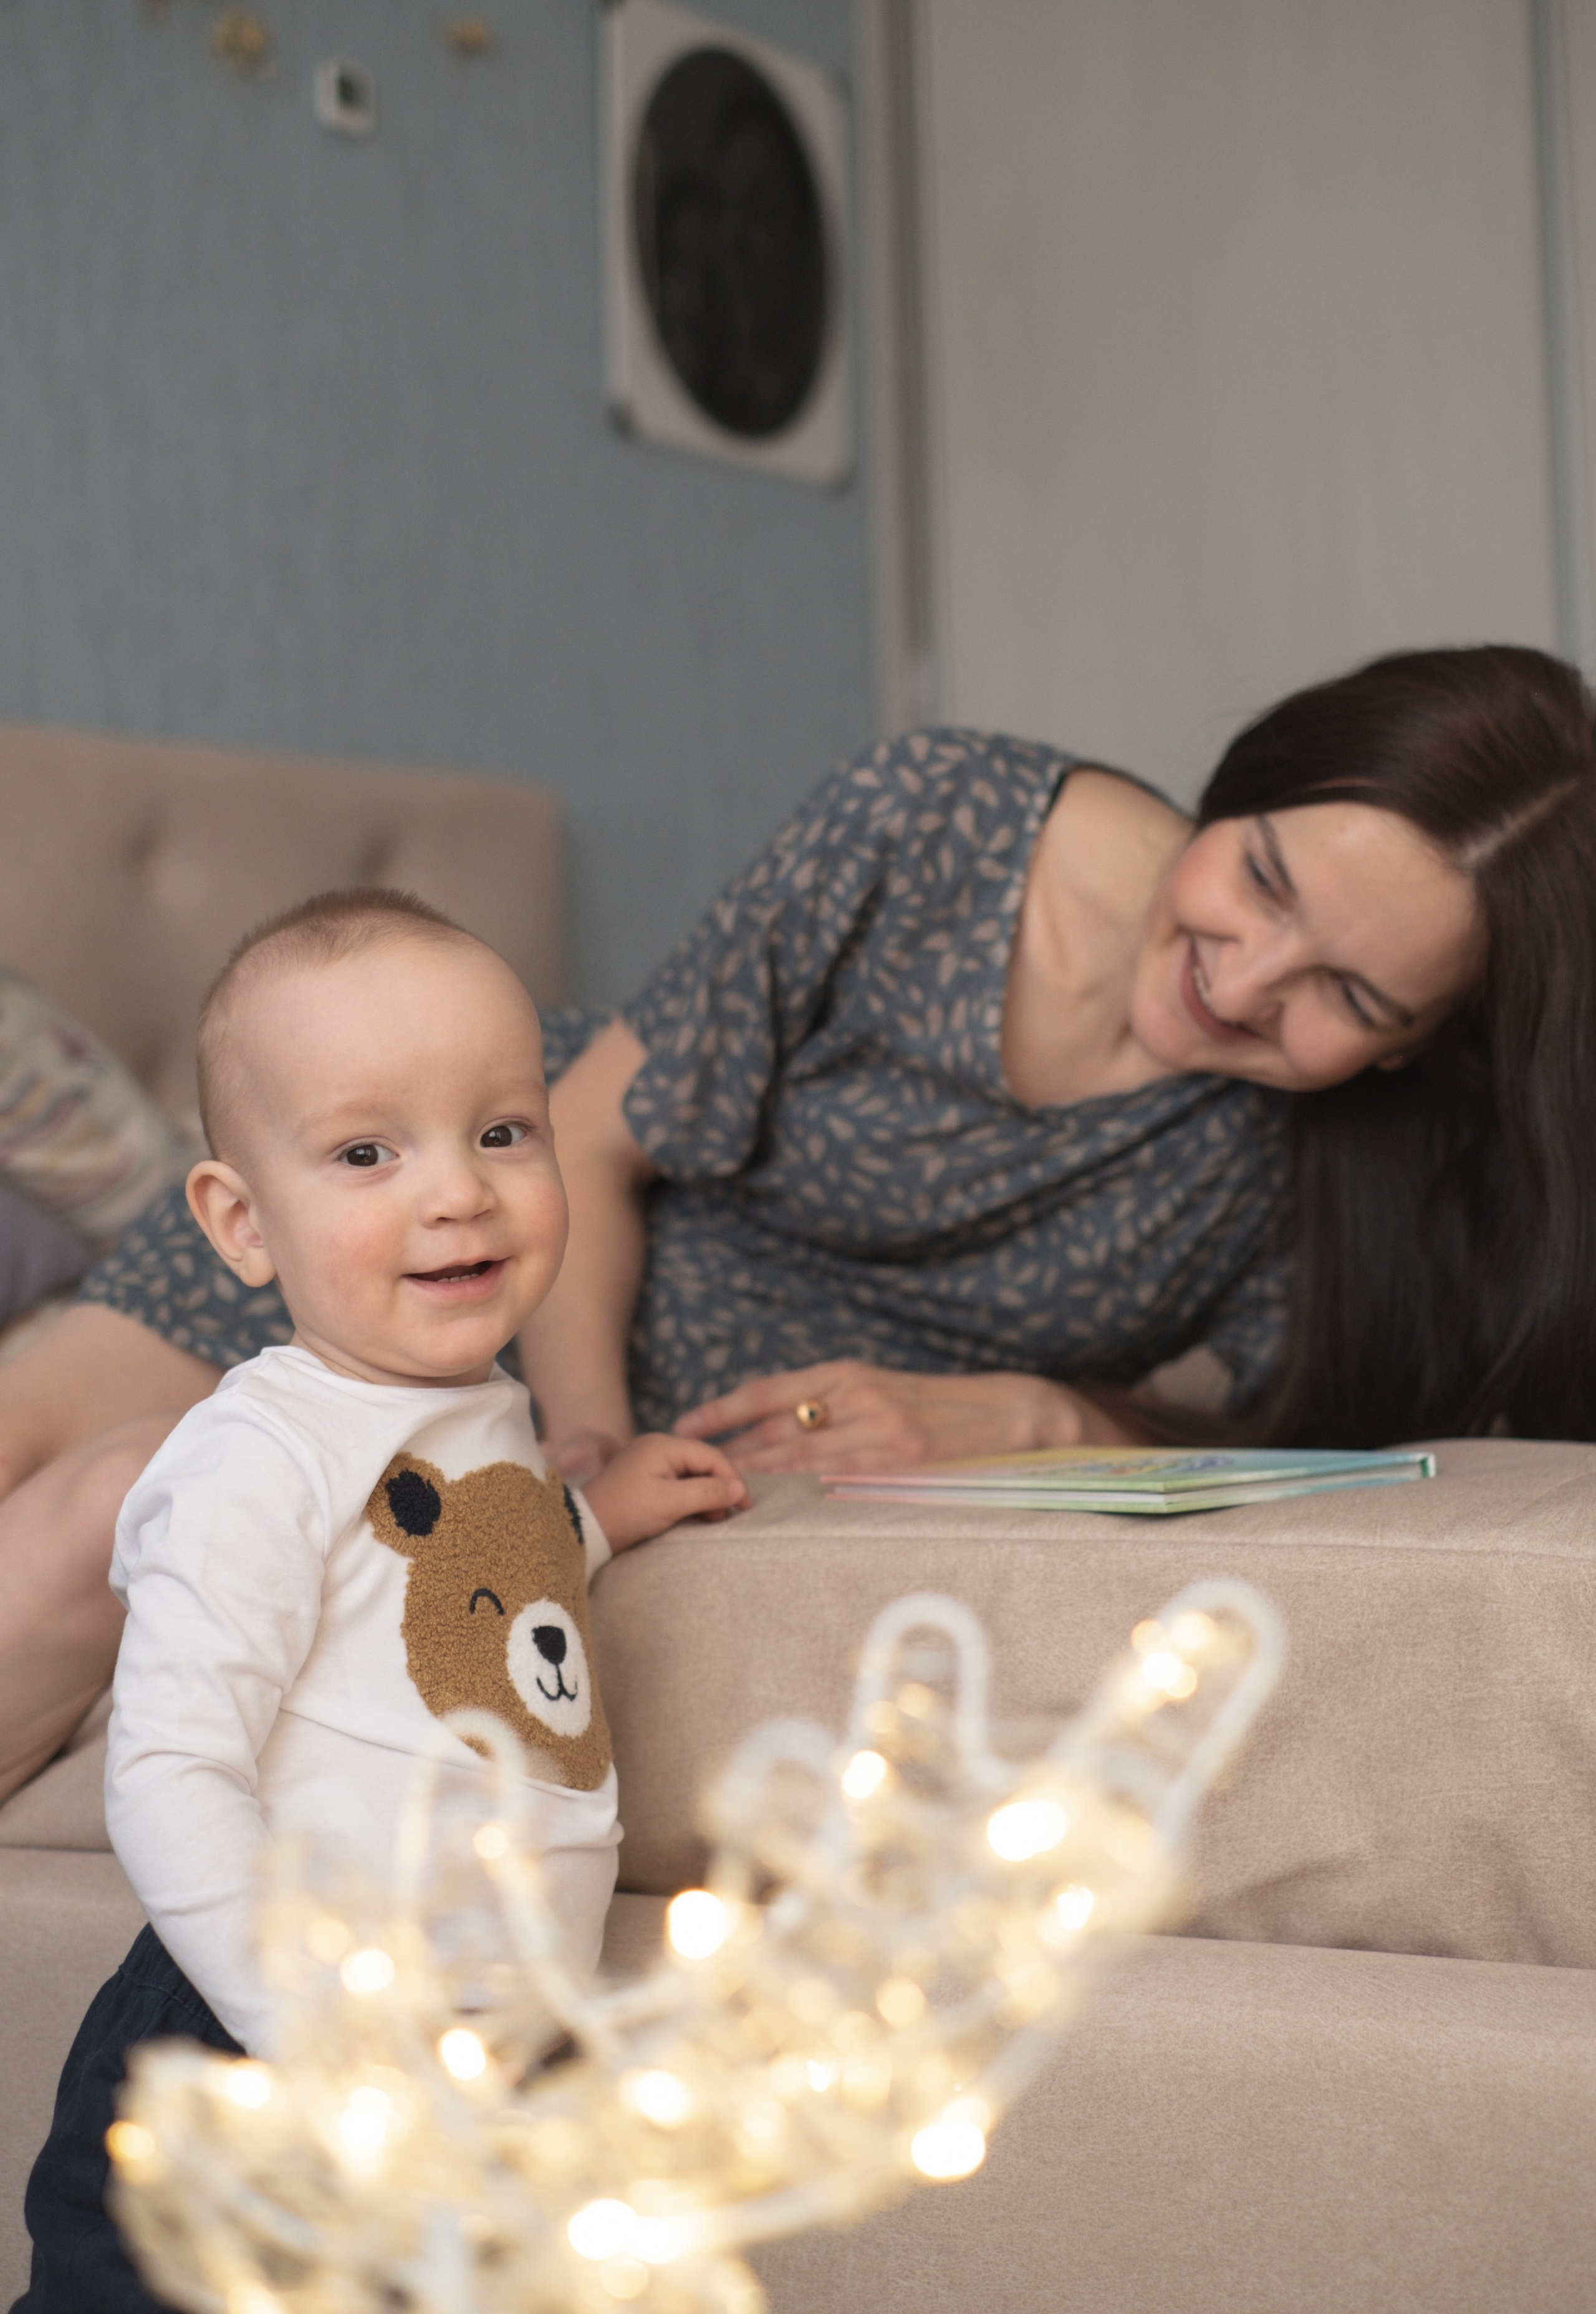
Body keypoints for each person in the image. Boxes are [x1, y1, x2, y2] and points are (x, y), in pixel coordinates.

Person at [2, 643, 1595, 1808]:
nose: (1243, 981)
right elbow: (593, 1141)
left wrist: (1035, 1411)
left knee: (113, 1514)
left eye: (1348, 995)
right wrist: (579, 1441)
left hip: (597, 1392)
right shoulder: (938, 822)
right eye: (1258, 879)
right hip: (484, 1216)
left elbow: (1283, 1434)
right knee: (46, 1457)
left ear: (1411, 1046)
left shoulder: (1319, 1176)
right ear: (1244, 784)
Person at [15, 887, 747, 2314]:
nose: (457, 1190)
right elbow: (170, 1775)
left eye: (500, 1131)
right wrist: (315, 2034)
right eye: (365, 1151)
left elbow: (443, 1597)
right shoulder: (251, 1459)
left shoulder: (473, 1409)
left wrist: (589, 1523)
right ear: (240, 1223)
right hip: (263, 2058)